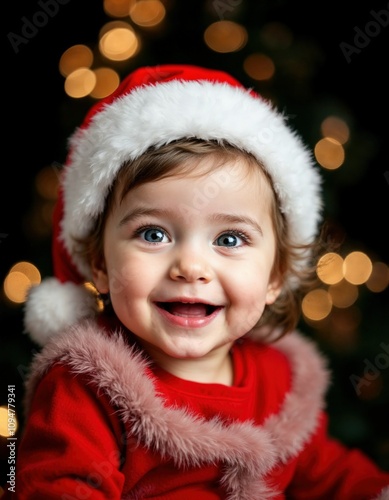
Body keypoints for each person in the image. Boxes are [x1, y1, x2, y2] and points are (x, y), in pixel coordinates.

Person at [4, 64, 389, 499]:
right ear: (100, 265)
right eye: (153, 234)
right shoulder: (86, 387)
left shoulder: (280, 381)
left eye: (229, 238)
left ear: (275, 276)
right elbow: (59, 487)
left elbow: (332, 475)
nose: (190, 266)